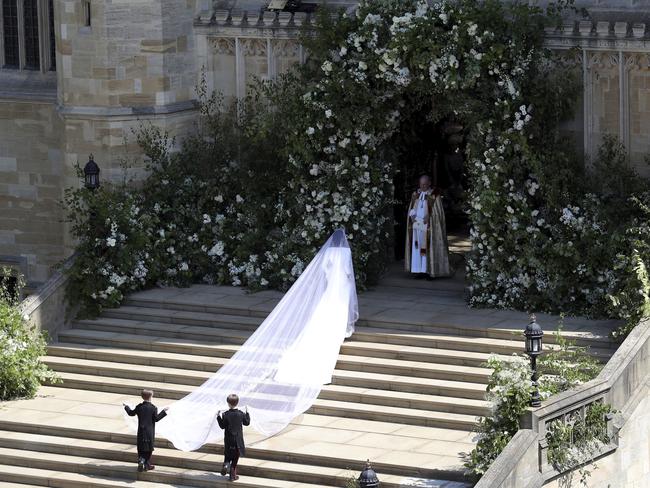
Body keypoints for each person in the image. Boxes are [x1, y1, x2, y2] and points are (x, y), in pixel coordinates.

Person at [405, 174, 450, 279]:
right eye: (421, 184)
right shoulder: (416, 194)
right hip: (417, 225)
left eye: (425, 184)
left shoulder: (434, 195)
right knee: (418, 247)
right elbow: (411, 208)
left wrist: (430, 218)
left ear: (429, 183)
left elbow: (438, 214)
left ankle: (430, 271)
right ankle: (420, 271)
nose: (423, 186)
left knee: (427, 247)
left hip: (429, 227)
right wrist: (412, 216)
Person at [123, 389, 168, 472]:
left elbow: (131, 413)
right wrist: (164, 412)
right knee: (149, 448)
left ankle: (141, 460)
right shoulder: (153, 408)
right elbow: (156, 419)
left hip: (141, 431)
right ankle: (147, 465)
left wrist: (126, 406)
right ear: (151, 397)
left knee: (141, 447)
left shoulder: (139, 407)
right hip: (149, 432)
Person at [217, 394, 251, 481]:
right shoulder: (241, 414)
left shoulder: (225, 414)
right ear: (237, 403)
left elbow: (222, 426)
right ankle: (232, 476)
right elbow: (246, 423)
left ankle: (225, 464)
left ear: (228, 403)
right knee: (235, 458)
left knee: (228, 454)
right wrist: (247, 413)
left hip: (228, 439)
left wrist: (218, 417)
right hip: (238, 440)